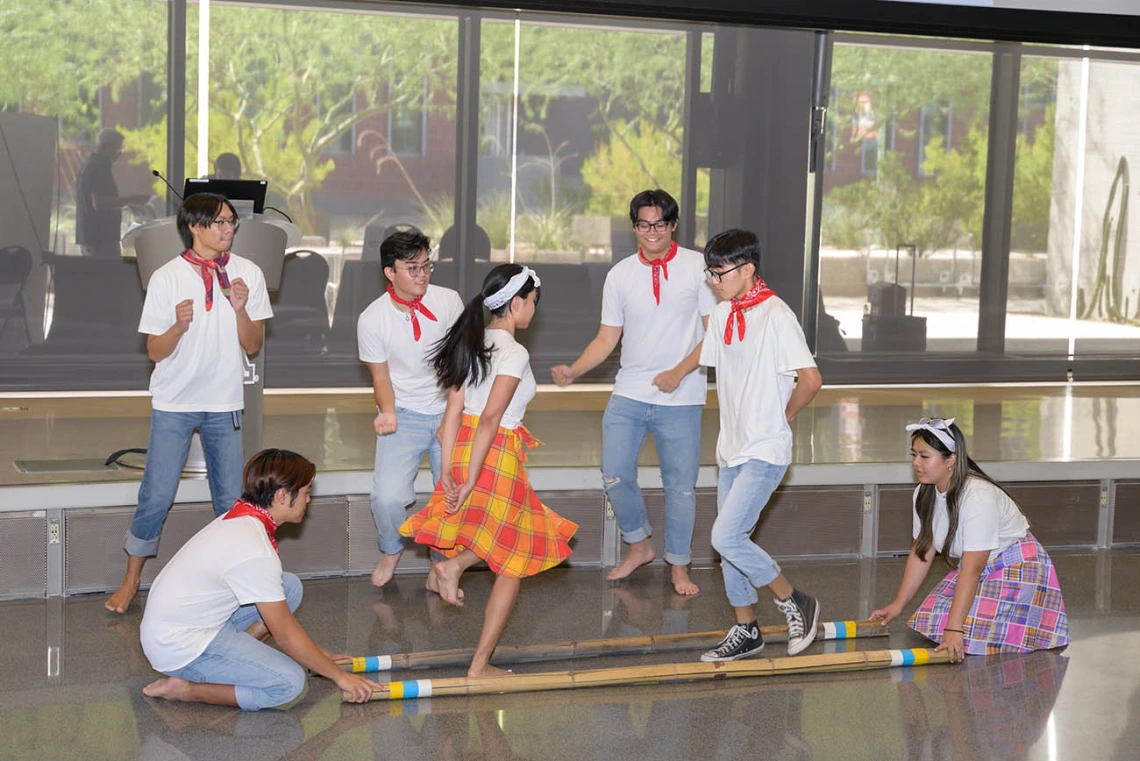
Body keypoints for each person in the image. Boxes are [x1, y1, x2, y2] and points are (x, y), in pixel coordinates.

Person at [400, 264, 578, 677]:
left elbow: (453, 414)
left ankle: (450, 569)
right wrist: (476, 477)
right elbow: (490, 419)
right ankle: (477, 655)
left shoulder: (471, 341)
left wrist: (448, 469)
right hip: (494, 453)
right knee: (513, 560)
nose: (534, 310)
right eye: (533, 302)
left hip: (461, 447)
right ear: (516, 304)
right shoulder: (514, 352)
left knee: (494, 536)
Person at [106, 192, 273, 613]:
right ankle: (131, 581)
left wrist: (240, 308)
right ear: (194, 227)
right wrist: (178, 327)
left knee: (231, 501)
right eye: (218, 222)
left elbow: (253, 345)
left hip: (225, 403)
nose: (228, 229)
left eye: (231, 222)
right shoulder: (166, 277)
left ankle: (236, 589)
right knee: (157, 495)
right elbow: (154, 352)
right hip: (175, 403)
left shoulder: (248, 273)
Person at [551, 189, 714, 596]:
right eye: (643, 224)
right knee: (614, 472)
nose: (652, 232)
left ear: (673, 225)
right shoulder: (620, 274)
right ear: (634, 227)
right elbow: (607, 339)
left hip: (683, 394)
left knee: (680, 486)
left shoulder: (698, 268)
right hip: (630, 392)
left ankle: (679, 566)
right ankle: (638, 544)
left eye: (660, 224)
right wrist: (575, 369)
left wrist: (678, 372)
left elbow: (715, 336)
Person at [140, 449, 381, 709]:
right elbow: (285, 635)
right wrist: (340, 677)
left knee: (288, 587)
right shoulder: (254, 550)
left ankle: (241, 658)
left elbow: (282, 622)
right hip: (179, 646)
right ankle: (187, 689)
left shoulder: (242, 517)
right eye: (306, 492)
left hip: (184, 624)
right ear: (281, 495)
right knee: (289, 682)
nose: (309, 500)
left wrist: (315, 655)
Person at [696, 228, 824, 661]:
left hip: (765, 449)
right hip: (731, 448)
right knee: (732, 544)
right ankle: (747, 629)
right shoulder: (724, 315)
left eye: (721, 272)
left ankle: (794, 600)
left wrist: (780, 417)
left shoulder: (776, 315)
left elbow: (811, 380)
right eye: (709, 272)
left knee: (726, 537)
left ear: (747, 270)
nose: (714, 280)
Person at [871, 417, 1070, 661]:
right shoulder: (924, 493)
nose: (916, 463)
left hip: (1019, 567)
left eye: (924, 456)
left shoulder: (977, 497)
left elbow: (971, 571)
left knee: (965, 633)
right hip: (980, 567)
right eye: (914, 455)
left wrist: (955, 629)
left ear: (951, 460)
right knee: (931, 621)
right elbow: (923, 551)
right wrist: (897, 605)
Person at [356, 229, 463, 588]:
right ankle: (391, 549)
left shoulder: (448, 302)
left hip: (449, 410)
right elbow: (381, 377)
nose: (422, 275)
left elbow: (460, 364)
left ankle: (441, 565)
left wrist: (455, 410)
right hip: (404, 414)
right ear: (390, 272)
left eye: (426, 266)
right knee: (386, 498)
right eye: (412, 268)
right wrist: (388, 411)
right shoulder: (373, 319)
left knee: (451, 493)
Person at [75, 128, 150, 258]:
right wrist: (132, 199)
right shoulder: (100, 168)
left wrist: (124, 203)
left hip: (90, 238)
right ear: (105, 146)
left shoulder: (87, 166)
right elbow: (99, 202)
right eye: (117, 150)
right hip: (102, 240)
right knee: (108, 276)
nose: (119, 154)